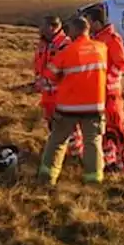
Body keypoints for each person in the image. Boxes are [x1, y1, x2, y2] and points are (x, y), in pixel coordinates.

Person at [37, 16, 107, 185]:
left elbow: (50, 77)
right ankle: (94, 178)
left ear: (75, 30)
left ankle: (48, 176)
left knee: (57, 141)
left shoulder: (67, 52)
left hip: (68, 107)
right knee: (93, 143)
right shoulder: (102, 48)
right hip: (95, 106)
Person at [83, 4, 124, 174]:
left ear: (96, 22)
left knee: (117, 128)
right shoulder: (94, 39)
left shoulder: (112, 39)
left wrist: (105, 79)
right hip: (96, 93)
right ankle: (109, 161)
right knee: (102, 129)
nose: (87, 25)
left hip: (110, 93)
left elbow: (121, 64)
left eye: (88, 21)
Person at [33, 15, 83, 159]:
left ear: (52, 27)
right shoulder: (43, 44)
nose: (40, 29)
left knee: (70, 128)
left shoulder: (65, 44)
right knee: (53, 127)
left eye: (43, 26)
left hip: (62, 95)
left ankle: (76, 155)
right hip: (47, 95)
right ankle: (60, 154)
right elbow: (39, 64)